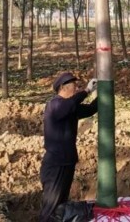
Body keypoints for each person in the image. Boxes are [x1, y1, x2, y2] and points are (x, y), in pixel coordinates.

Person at [39, 71, 98, 222]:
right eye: (74, 86)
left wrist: (101, 93)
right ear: (63, 88)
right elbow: (71, 104)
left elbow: (91, 109)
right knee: (51, 207)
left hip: (66, 163)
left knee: (60, 206)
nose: (77, 88)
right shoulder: (55, 105)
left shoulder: (69, 109)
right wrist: (87, 91)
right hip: (55, 165)